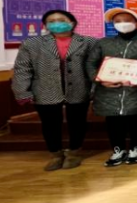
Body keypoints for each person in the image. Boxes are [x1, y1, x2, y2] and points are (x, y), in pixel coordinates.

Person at [12, 10, 97, 171]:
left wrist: (95, 88)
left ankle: (74, 153)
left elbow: (95, 66)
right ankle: (56, 155)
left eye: (61, 19)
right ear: (45, 25)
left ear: (72, 22)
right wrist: (22, 91)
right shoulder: (32, 43)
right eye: (51, 21)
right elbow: (22, 69)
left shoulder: (89, 42)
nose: (56, 23)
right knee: (50, 124)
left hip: (79, 88)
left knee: (77, 122)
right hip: (45, 89)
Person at [87, 8, 137, 167]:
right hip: (109, 90)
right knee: (113, 121)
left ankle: (136, 149)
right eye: (118, 21)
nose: (123, 24)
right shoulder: (103, 43)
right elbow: (91, 63)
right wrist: (100, 79)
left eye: (127, 20)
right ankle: (118, 150)